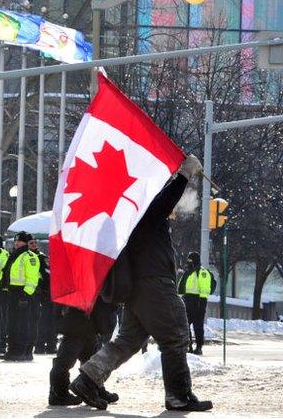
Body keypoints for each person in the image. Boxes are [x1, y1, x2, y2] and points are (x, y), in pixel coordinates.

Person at [69, 154, 213, 412]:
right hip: (154, 285)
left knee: (127, 341)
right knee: (177, 336)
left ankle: (88, 379)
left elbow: (164, 204)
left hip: (140, 287)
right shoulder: (145, 210)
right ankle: (179, 396)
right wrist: (184, 174)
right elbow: (164, 201)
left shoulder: (133, 215)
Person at [48, 297, 120, 406]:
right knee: (65, 360)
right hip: (76, 320)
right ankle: (59, 393)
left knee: (91, 360)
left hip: (89, 321)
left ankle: (94, 388)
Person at [1, 231, 41, 361]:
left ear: (25, 242)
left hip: (23, 294)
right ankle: (12, 349)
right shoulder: (14, 256)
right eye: (16, 241)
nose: (17, 243)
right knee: (12, 323)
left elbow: (32, 278)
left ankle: (24, 351)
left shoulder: (29, 257)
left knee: (24, 324)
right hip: (12, 293)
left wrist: (25, 295)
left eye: (20, 241)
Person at [178, 251, 216, 355]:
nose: (189, 263)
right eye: (188, 261)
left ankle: (198, 347)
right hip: (189, 301)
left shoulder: (202, 272)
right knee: (185, 325)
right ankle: (188, 345)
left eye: (191, 261)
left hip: (198, 301)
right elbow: (181, 288)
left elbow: (207, 288)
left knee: (197, 326)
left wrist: (201, 300)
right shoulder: (188, 272)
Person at [31, 237, 58, 354]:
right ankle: (40, 345)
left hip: (50, 296)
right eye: (31, 243)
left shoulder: (42, 258)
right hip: (40, 294)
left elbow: (47, 275)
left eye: (34, 243)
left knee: (51, 322)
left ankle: (51, 345)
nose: (33, 245)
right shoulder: (30, 257)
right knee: (41, 323)